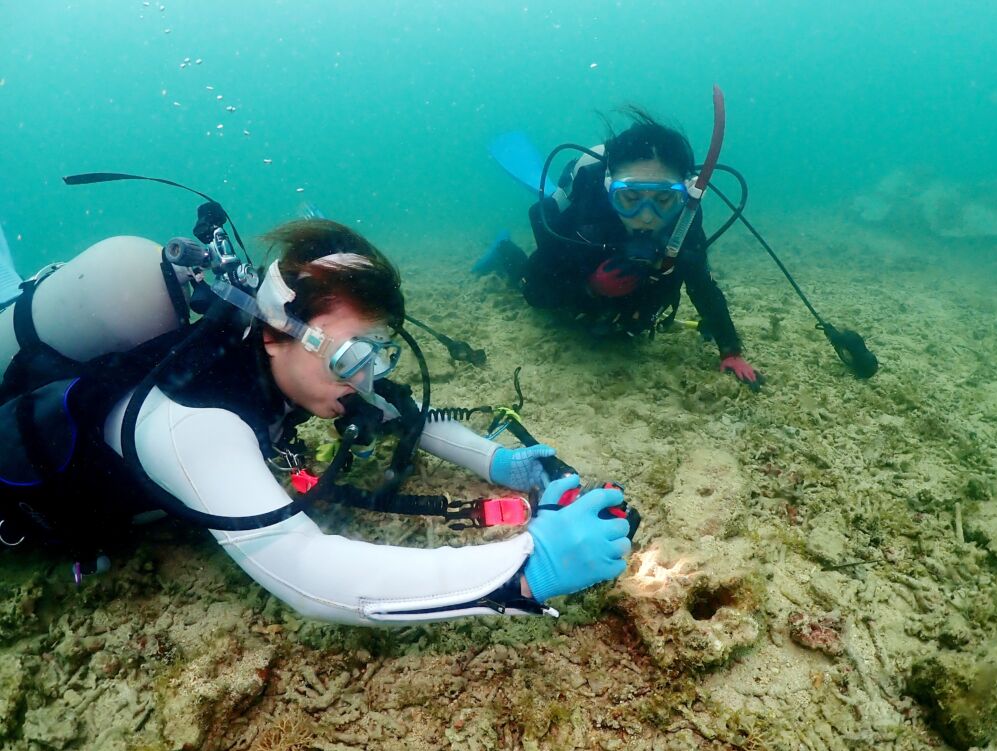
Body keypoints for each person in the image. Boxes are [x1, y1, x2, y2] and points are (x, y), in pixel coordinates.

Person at [0, 217, 632, 625]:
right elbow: (308, 574)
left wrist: (499, 462)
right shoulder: (194, 420)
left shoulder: (303, 363)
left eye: (378, 354)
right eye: (353, 357)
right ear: (275, 333)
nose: (366, 377)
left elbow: (400, 415)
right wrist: (527, 566)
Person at [480, 108, 761, 388]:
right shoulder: (588, 211)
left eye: (664, 198)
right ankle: (503, 247)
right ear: (608, 189)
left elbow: (702, 283)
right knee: (523, 280)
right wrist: (589, 287)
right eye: (630, 197)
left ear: (683, 195)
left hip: (629, 318)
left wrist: (731, 351)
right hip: (576, 302)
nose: (646, 216)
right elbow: (536, 289)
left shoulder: (684, 218)